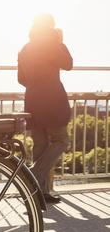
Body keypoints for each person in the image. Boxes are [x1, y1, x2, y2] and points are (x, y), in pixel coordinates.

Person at [18, 13, 73, 203]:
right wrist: (59, 41)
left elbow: (21, 79)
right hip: (52, 100)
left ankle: (40, 193)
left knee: (40, 145)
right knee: (61, 141)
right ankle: (33, 174)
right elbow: (68, 64)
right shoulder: (53, 44)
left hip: (33, 100)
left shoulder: (25, 49)